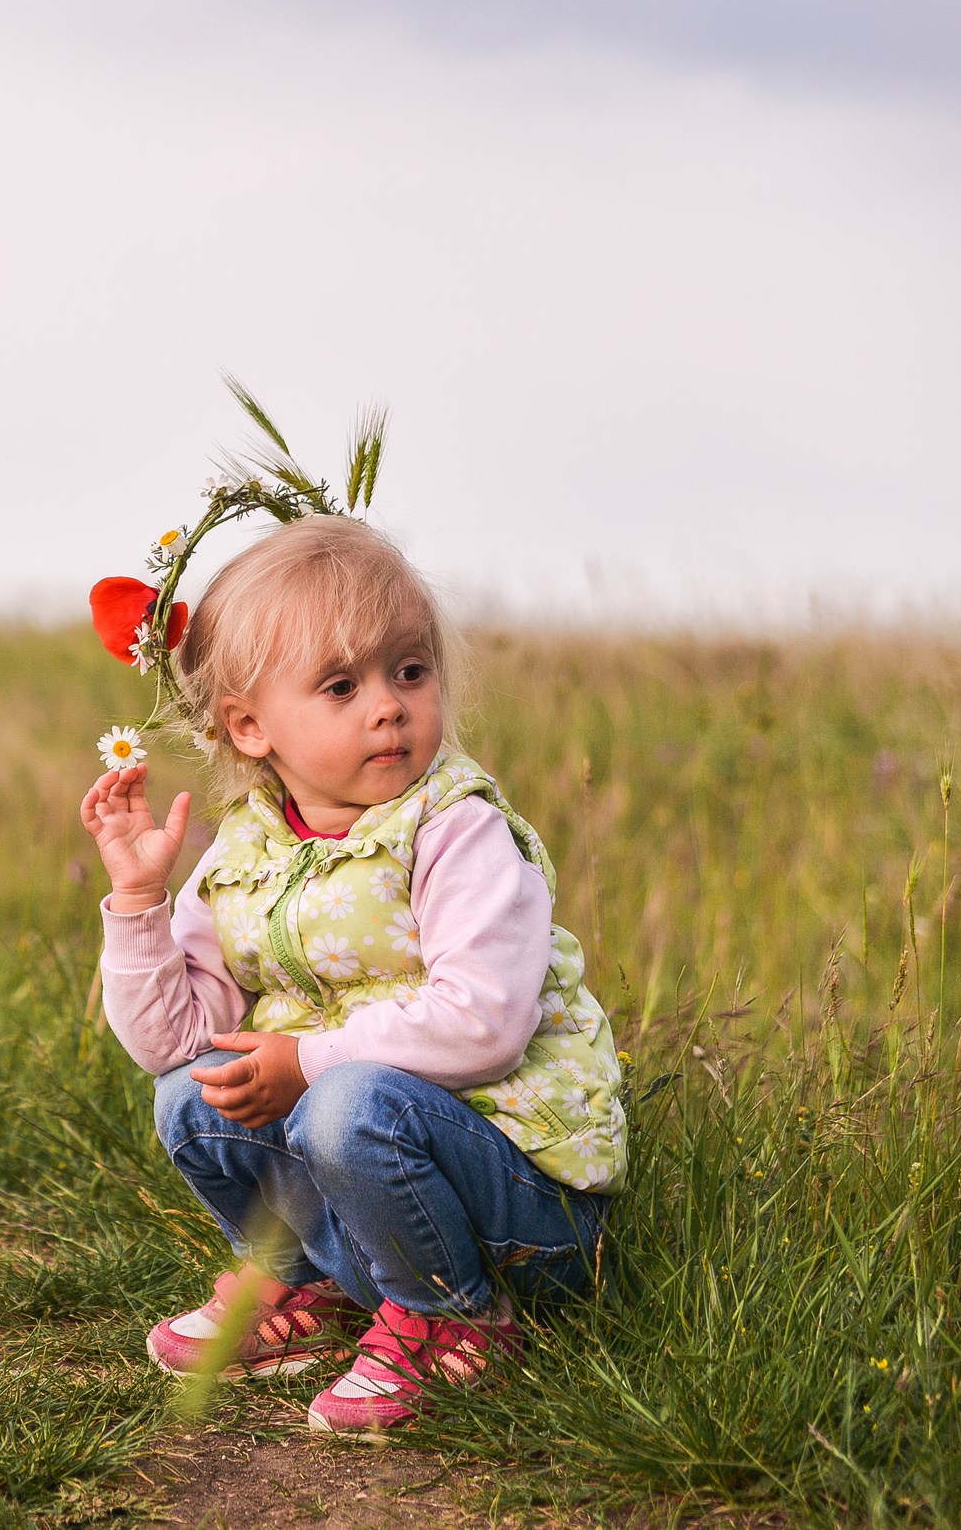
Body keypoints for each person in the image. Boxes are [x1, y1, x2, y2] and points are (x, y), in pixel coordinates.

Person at [80, 513, 625, 1438]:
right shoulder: (246, 855)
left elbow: (485, 1020)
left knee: (347, 1101)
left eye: (409, 672)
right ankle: (317, 1290)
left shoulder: (455, 830)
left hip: (524, 1202)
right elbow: (173, 1041)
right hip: (378, 1177)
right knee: (189, 1091)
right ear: (250, 726)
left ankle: (457, 1316)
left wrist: (309, 1058)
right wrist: (139, 898)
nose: (389, 705)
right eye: (342, 685)